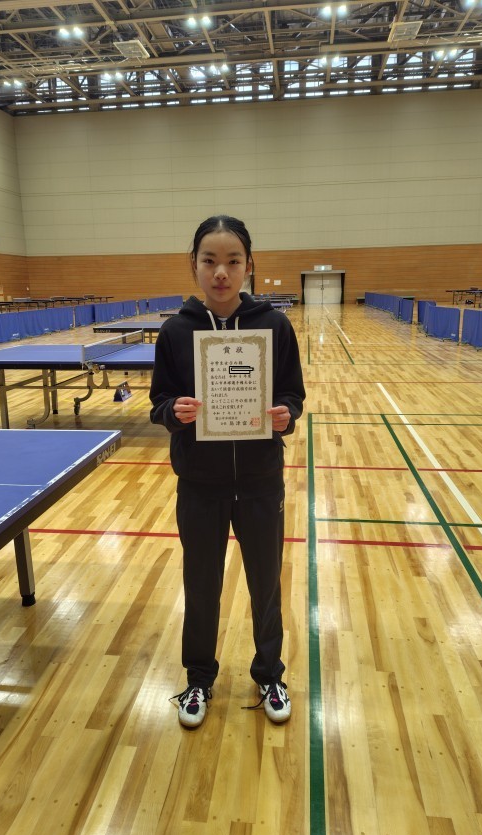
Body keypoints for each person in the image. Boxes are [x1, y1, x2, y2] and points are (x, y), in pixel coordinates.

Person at [149, 215, 305, 728]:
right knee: (201, 585)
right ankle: (198, 678)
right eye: (210, 260)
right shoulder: (175, 332)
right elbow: (158, 402)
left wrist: (285, 414)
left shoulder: (274, 326)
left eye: (233, 261)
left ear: (248, 265)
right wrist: (174, 412)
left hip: (260, 481)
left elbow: (292, 394)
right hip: (200, 485)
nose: (221, 272)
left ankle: (269, 673)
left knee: (266, 584)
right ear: (193, 265)